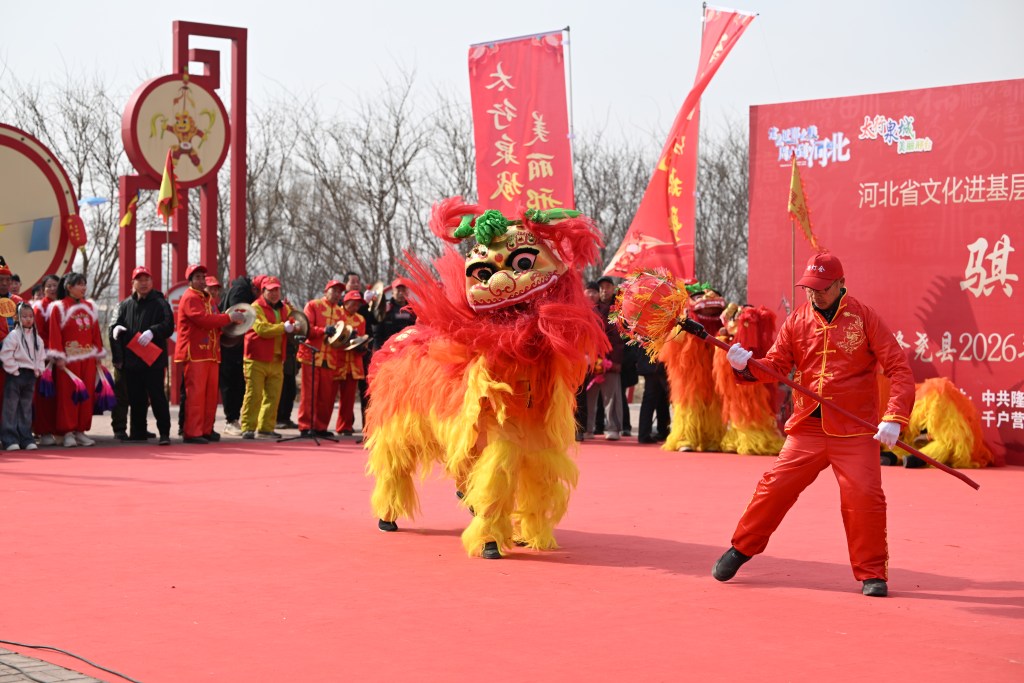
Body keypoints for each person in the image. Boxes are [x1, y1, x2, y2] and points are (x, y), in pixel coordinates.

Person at [712, 252, 915, 598]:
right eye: (809, 288)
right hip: (808, 427)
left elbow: (899, 369)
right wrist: (745, 365)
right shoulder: (797, 320)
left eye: (822, 288)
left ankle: (871, 574)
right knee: (775, 487)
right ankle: (741, 548)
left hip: (855, 430)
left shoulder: (864, 317)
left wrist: (894, 417)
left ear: (841, 284)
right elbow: (776, 366)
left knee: (864, 498)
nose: (815, 294)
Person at [174, 264, 245, 444]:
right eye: (197, 277)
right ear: (190, 280)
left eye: (202, 277)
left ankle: (206, 429)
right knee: (196, 394)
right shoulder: (190, 297)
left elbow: (216, 322)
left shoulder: (209, 299)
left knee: (210, 395)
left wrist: (232, 325)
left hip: (211, 353)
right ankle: (192, 432)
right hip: (195, 352)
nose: (201, 281)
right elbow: (203, 320)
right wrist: (228, 318)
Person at [110, 267, 174, 445]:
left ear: (152, 282)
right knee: (136, 398)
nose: (144, 283)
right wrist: (115, 328)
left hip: (153, 360)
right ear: (133, 283)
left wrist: (154, 331)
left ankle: (164, 433)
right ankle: (138, 432)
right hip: (132, 359)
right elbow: (116, 322)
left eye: (147, 279)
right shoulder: (125, 305)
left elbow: (169, 325)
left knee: (157, 396)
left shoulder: (160, 303)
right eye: (140, 280)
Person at [48, 272, 104, 448]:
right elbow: (55, 333)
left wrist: (98, 354)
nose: (83, 287)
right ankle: (67, 432)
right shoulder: (59, 307)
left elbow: (95, 333)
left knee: (86, 394)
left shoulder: (90, 306)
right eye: (79, 284)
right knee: (68, 395)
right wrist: (59, 356)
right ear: (69, 287)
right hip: (69, 360)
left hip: (88, 358)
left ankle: (81, 430)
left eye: (84, 284)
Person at [240, 276, 294, 440]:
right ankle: (248, 427)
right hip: (256, 358)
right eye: (270, 290)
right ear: (263, 291)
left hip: (276, 359)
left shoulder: (284, 308)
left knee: (273, 396)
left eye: (276, 289)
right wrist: (283, 327)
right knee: (254, 395)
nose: (274, 293)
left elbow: (294, 320)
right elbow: (262, 329)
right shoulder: (255, 307)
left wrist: (296, 322)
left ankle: (266, 428)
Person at [298, 280, 344, 437]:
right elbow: (306, 329)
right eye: (334, 290)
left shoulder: (340, 312)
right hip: (311, 356)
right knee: (309, 393)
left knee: (326, 395)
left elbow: (341, 335)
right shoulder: (313, 305)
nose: (337, 294)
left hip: (330, 357)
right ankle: (306, 426)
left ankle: (321, 427)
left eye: (339, 292)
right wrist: (323, 330)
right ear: (326, 291)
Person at [1, 303, 46, 450]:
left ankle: (26, 438)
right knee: (11, 407)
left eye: (31, 316)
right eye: (24, 316)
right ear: (17, 318)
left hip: (31, 375)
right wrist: (14, 370)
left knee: (26, 408)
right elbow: (6, 354)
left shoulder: (37, 338)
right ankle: (9, 439)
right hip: (16, 374)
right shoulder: (14, 335)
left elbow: (41, 356)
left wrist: (38, 370)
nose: (28, 319)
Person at [220, 275, 256, 435]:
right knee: (231, 383)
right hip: (230, 343)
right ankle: (231, 421)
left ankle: (233, 419)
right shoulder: (240, 291)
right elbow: (239, 314)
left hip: (237, 344)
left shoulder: (244, 290)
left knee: (238, 384)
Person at [31, 274, 60, 445]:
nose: (52, 288)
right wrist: (52, 350)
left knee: (60, 396)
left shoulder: (63, 305)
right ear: (43, 289)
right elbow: (38, 333)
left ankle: (60, 429)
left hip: (63, 358)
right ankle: (43, 431)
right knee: (44, 396)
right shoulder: (39, 308)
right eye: (48, 286)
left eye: (55, 285)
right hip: (45, 358)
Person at [334, 289, 367, 436]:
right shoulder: (337, 314)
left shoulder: (361, 319)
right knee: (328, 396)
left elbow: (362, 338)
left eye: (358, 304)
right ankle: (320, 427)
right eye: (353, 303)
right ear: (345, 302)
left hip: (353, 363)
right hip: (337, 360)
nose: (355, 307)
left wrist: (362, 345)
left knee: (349, 399)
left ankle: (345, 427)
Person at [372, 278, 416, 350]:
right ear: (392, 292)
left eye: (403, 290)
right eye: (398, 290)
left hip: (408, 348)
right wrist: (376, 350)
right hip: (388, 348)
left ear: (407, 292)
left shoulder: (413, 309)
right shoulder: (385, 308)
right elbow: (377, 333)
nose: (401, 293)